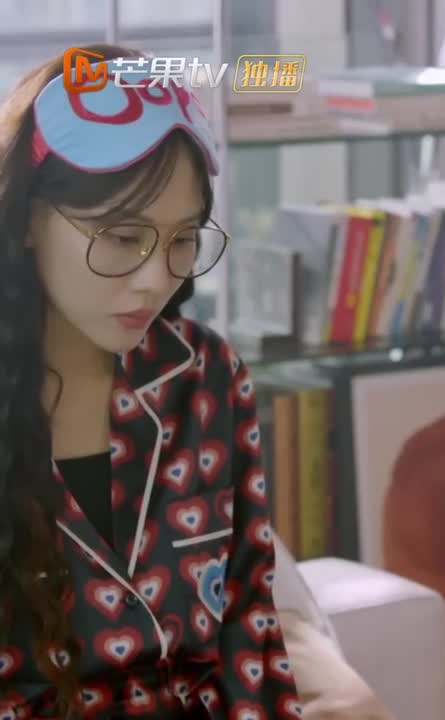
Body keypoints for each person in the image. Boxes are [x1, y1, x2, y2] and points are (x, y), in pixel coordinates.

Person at [0, 46, 300, 717]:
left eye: (182, 240)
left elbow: (250, 626)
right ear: (24, 221)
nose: (156, 278)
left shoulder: (205, 379)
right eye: (122, 238)